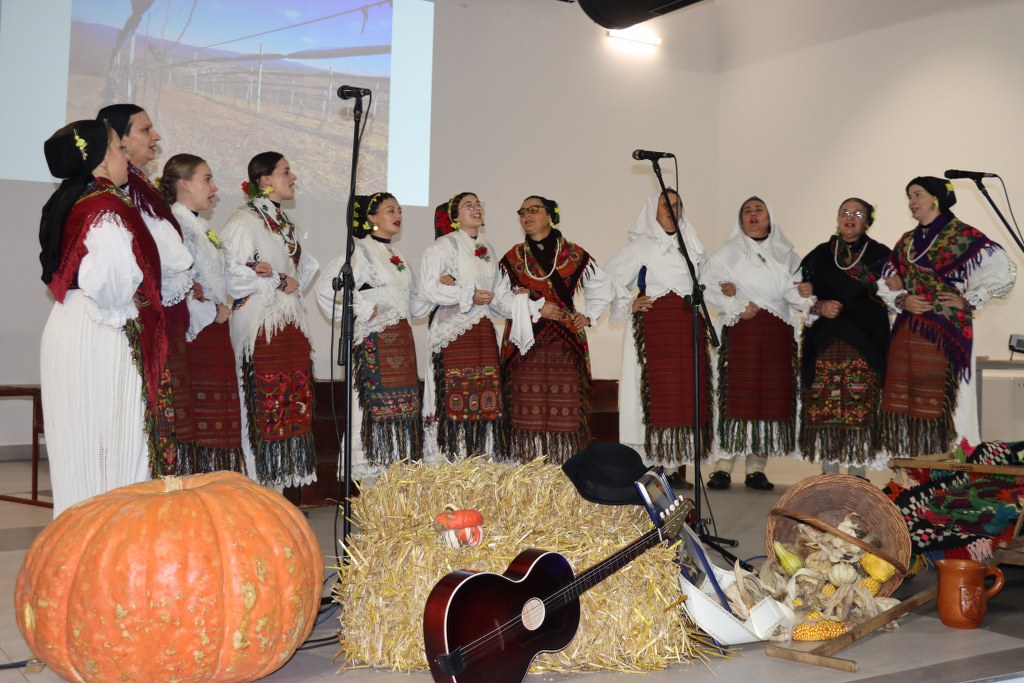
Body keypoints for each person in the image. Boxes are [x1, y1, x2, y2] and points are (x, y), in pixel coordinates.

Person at [38, 119, 165, 516]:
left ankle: (80, 533)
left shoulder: (73, 201)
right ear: (100, 160)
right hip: (101, 326)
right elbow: (113, 282)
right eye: (119, 148)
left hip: (75, 321)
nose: (126, 156)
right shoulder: (104, 209)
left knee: (83, 444)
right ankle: (108, 535)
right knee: (109, 438)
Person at [877, 176, 1016, 455]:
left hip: (947, 333)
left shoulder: (963, 236)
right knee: (909, 399)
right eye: (909, 196)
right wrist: (903, 299)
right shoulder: (906, 242)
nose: (912, 201)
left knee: (950, 401)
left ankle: (951, 466)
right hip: (909, 330)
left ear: (936, 198)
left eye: (918, 194)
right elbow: (885, 281)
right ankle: (911, 466)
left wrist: (968, 300)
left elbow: (1005, 271)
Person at [97, 103, 194, 474]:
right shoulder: (126, 191)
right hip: (140, 313)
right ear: (118, 140)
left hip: (155, 310)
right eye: (145, 129)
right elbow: (167, 256)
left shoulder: (136, 185)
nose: (156, 137)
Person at [495, 195, 624, 464]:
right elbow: (498, 299)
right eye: (522, 212)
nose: (526, 215)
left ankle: (563, 467)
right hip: (524, 342)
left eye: (533, 209)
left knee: (566, 404)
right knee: (523, 403)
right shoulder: (514, 257)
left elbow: (603, 287)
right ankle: (524, 467)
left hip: (565, 342)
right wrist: (534, 307)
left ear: (550, 215)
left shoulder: (573, 253)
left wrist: (589, 315)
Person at [221, 152, 319, 488]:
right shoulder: (243, 221)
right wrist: (276, 279)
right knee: (259, 406)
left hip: (288, 325)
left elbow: (299, 272)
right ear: (265, 180)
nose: (293, 177)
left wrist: (285, 279)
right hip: (260, 326)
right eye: (286, 171)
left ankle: (277, 493)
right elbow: (230, 275)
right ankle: (254, 490)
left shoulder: (285, 225)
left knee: (290, 406)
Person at [316, 192, 430, 479]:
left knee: (402, 416)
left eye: (400, 209)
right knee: (373, 416)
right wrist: (366, 308)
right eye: (390, 209)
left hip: (402, 348)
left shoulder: (397, 256)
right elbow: (328, 290)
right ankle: (372, 486)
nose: (398, 214)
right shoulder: (360, 253)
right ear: (370, 217)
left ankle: (396, 487)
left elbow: (414, 303)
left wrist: (440, 290)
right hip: (374, 348)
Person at [604, 189, 711, 490]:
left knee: (681, 395)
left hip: (685, 329)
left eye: (677, 205)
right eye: (666, 205)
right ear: (653, 210)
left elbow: (707, 284)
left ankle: (674, 465)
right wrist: (629, 303)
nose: (672, 210)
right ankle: (648, 465)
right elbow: (605, 279)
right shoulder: (639, 248)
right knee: (651, 395)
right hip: (652, 328)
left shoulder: (692, 246)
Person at [703, 197, 808, 490]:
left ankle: (756, 468)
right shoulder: (727, 253)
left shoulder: (787, 255)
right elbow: (707, 288)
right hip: (739, 332)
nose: (753, 215)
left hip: (776, 333)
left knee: (768, 397)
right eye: (747, 211)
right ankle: (723, 467)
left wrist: (812, 302)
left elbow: (798, 292)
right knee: (734, 394)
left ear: (769, 217)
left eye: (758, 210)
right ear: (740, 220)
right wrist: (735, 303)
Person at [159, 154, 245, 474]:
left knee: (216, 415)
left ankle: (210, 482)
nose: (214, 187)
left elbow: (212, 276)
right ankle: (190, 481)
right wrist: (209, 307)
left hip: (214, 329)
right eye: (207, 179)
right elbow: (174, 281)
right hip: (195, 334)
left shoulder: (200, 224)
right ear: (184, 184)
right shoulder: (175, 223)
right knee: (195, 415)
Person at [798, 198, 891, 477]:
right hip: (825, 341)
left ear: (868, 221)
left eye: (858, 213)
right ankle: (829, 472)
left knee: (860, 403)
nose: (850, 218)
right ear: (838, 219)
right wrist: (819, 305)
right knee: (826, 403)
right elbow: (796, 291)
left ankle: (858, 473)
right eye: (845, 212)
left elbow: (894, 294)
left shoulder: (880, 256)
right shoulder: (819, 255)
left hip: (866, 341)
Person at [417, 192, 505, 460]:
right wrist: (465, 293)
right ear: (455, 217)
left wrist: (524, 302)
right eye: (469, 205)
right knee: (451, 394)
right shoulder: (444, 246)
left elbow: (497, 295)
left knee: (484, 396)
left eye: (478, 204)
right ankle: (448, 459)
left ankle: (479, 458)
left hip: (483, 331)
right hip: (452, 331)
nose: (476, 208)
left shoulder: (488, 250)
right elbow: (428, 288)